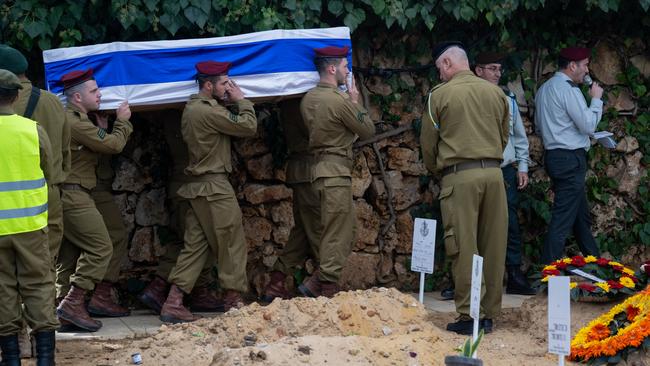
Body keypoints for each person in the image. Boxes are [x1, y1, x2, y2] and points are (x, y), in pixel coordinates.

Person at [420, 42, 509, 335]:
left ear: (447, 63)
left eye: (439, 69)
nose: (440, 75)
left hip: (459, 176)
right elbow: (504, 137)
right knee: (493, 245)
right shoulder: (496, 93)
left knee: (463, 245)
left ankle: (470, 315)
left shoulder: (439, 95)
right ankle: (488, 315)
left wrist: (440, 171)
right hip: (495, 175)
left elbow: (428, 146)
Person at [159, 60, 257, 323]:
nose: (229, 87)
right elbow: (248, 126)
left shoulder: (194, 109)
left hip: (197, 187)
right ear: (208, 85)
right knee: (231, 241)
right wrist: (241, 100)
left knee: (197, 246)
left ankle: (174, 301)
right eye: (224, 83)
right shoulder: (207, 111)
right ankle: (233, 298)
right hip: (213, 187)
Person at [56, 69, 133, 332]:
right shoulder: (75, 122)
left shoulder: (76, 120)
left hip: (71, 192)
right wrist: (122, 121)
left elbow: (86, 154)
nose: (100, 94)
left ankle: (63, 309)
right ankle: (73, 303)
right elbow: (114, 146)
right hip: (73, 194)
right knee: (101, 247)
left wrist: (99, 131)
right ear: (77, 97)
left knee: (68, 256)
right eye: (94, 91)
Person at [298, 46, 375, 298]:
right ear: (332, 69)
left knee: (342, 229)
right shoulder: (339, 100)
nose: (347, 71)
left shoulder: (308, 99)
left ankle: (319, 282)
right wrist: (355, 102)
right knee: (339, 232)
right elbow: (368, 130)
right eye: (344, 66)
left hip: (319, 170)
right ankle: (324, 285)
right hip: (335, 171)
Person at [0, 44, 70, 302]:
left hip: (5, 202)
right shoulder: (53, 102)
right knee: (44, 267)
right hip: (47, 195)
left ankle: (11, 332)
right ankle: (43, 332)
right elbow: (64, 153)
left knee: (5, 274)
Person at [0, 69, 58, 365]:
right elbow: (48, 172)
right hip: (30, 225)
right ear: (17, 95)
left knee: (3, 288)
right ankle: (46, 358)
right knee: (38, 285)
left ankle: (10, 358)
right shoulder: (32, 130)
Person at [138, 111, 222, 314]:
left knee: (184, 239)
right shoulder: (195, 113)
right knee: (199, 239)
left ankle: (162, 288)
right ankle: (173, 293)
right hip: (193, 183)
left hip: (180, 182)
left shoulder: (175, 112)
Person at [474, 51, 536, 295]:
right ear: (478, 70)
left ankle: (513, 274)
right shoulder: (470, 97)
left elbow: (519, 136)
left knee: (510, 223)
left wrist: (522, 166)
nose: (497, 74)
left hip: (504, 170)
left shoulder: (507, 99)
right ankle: (469, 279)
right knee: (473, 222)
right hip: (478, 167)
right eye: (491, 68)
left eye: (499, 69)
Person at [535, 47, 603, 264]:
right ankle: (548, 272)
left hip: (554, 156)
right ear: (572, 66)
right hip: (570, 159)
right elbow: (588, 125)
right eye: (584, 65)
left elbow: (538, 126)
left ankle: (597, 264)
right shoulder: (568, 90)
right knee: (562, 219)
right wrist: (596, 99)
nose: (587, 70)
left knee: (580, 218)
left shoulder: (544, 89)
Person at [262, 98, 322, 302]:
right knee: (321, 229)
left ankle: (276, 282)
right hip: (312, 170)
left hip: (302, 170)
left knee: (303, 233)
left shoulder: (290, 100)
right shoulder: (307, 101)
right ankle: (324, 283)